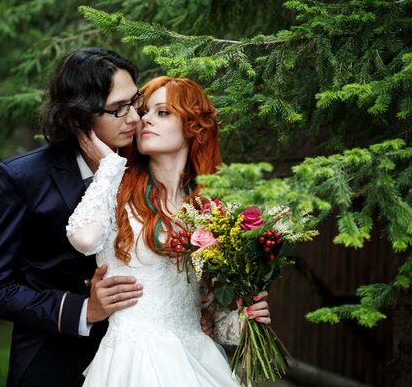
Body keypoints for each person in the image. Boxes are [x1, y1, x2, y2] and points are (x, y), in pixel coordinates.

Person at [66, 76, 272, 387]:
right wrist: (108, 167)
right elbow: (83, 239)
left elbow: (205, 312)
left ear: (194, 126)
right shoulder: (115, 188)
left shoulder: (211, 211)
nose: (144, 119)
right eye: (144, 111)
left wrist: (245, 321)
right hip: (133, 359)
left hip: (196, 357)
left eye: (162, 112)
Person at [0, 48, 146, 387]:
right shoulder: (24, 178)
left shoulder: (145, 166)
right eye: (118, 109)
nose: (135, 118)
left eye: (135, 101)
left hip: (136, 358)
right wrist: (84, 310)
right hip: (53, 360)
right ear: (78, 118)